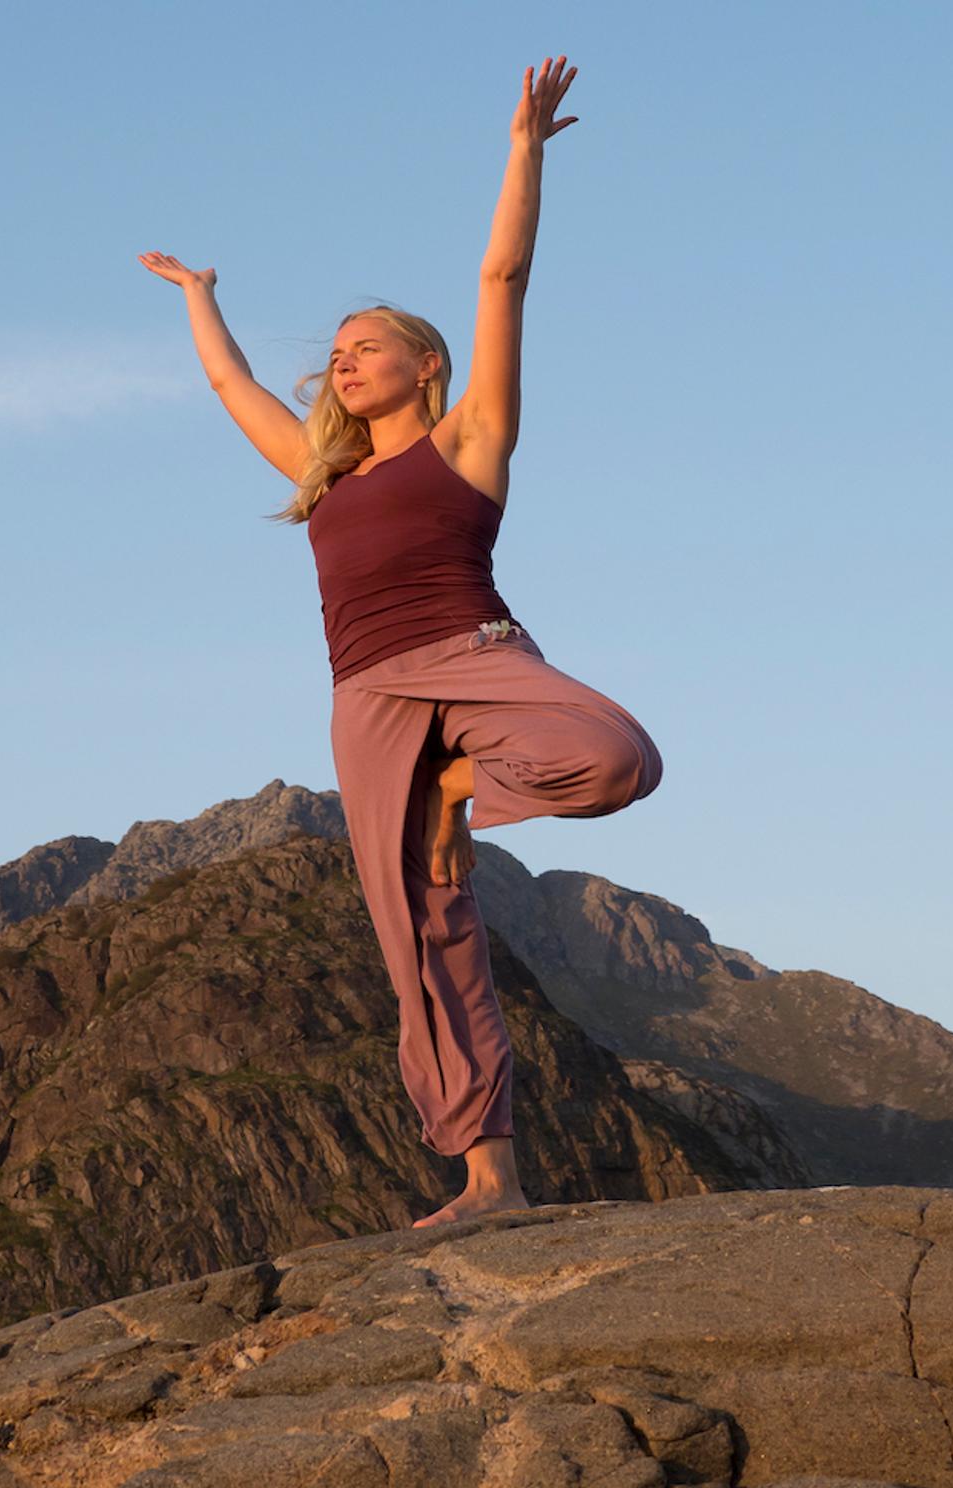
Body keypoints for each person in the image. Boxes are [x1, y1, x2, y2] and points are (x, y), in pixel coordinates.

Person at [138, 56, 662, 1229]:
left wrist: (523, 147)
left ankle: (457, 788)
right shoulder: (321, 475)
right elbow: (228, 386)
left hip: (473, 655)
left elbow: (503, 275)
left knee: (615, 753)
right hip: (365, 702)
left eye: (363, 345)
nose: (341, 361)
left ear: (422, 363)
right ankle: (490, 1181)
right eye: (333, 351)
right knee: (425, 941)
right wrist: (198, 292)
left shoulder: (469, 439)